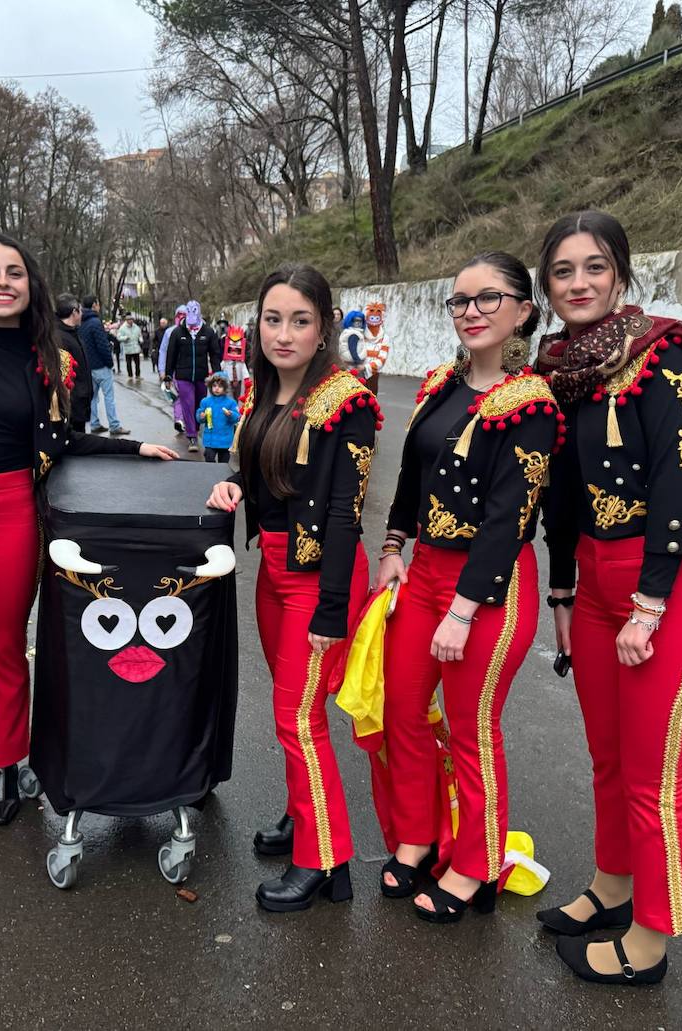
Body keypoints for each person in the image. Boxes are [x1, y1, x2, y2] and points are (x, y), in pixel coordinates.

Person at [0, 236, 177, 827]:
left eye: (15, 273)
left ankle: (6, 763)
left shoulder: (52, 356)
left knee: (5, 645)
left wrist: (131, 447)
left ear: (31, 285)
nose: (3, 283)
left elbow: (61, 442)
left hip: (12, 511)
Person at [534, 210, 682, 985]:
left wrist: (650, 603)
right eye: (563, 270)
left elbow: (677, 484)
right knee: (609, 759)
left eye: (594, 266)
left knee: (654, 777)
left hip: (672, 586)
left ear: (620, 272)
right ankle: (613, 888)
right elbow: (562, 493)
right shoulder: (563, 372)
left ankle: (651, 938)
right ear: (548, 284)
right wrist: (562, 586)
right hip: (594, 587)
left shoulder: (664, 357)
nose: (579, 282)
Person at [373, 251, 561, 923]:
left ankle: (477, 867)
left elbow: (509, 520)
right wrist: (394, 546)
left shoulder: (530, 404)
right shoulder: (439, 384)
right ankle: (420, 838)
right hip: (422, 574)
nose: (471, 312)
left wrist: (460, 610)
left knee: (473, 728)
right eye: (460, 301)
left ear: (523, 311)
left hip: (489, 588)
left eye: (488, 299)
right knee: (403, 712)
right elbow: (410, 480)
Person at [206, 264, 383, 912]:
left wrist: (333, 610)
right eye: (273, 318)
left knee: (297, 719)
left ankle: (323, 859)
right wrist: (235, 485)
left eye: (300, 320)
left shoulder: (348, 400)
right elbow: (269, 481)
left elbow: (343, 512)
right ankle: (302, 818)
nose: (284, 333)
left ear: (323, 328)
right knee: (294, 720)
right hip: (274, 573)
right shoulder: (265, 390)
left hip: (319, 579)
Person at [165, 300, 220, 453]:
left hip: (202, 376)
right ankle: (192, 436)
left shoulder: (208, 332)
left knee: (199, 405)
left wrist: (217, 372)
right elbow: (171, 355)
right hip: (183, 376)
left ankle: (195, 428)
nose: (191, 325)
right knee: (188, 405)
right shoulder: (178, 332)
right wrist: (168, 375)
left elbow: (215, 354)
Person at [78, 294, 126, 435]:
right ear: (94, 305)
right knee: (109, 397)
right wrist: (110, 363)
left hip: (88, 366)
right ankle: (114, 425)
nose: (99, 306)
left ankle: (94, 424)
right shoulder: (95, 322)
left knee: (93, 398)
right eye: (98, 303)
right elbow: (102, 346)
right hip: (101, 366)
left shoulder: (81, 322)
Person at [55, 294, 94, 432]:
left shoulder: (73, 333)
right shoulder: (60, 338)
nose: (82, 313)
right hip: (72, 406)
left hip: (79, 403)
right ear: (74, 312)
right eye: (80, 310)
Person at [195, 371, 239, 463]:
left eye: (220, 386)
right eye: (214, 386)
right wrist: (201, 416)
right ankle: (211, 474)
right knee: (209, 458)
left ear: (225, 388)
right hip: (210, 438)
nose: (217, 389)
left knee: (223, 463)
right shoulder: (206, 401)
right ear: (210, 387)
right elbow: (199, 417)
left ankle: (221, 476)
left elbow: (237, 418)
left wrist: (231, 414)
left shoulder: (231, 403)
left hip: (225, 439)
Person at [158, 304, 187, 434]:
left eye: (184, 315)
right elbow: (163, 351)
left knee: (188, 396)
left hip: (190, 370)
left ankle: (187, 419)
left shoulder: (196, 331)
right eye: (179, 315)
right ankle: (179, 419)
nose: (181, 317)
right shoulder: (170, 332)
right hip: (175, 370)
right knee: (178, 395)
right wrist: (162, 370)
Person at [220, 323, 248, 398]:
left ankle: (235, 406)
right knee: (228, 395)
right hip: (227, 380)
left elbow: (244, 371)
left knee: (237, 395)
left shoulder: (241, 362)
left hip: (238, 381)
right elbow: (220, 367)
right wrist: (214, 373)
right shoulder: (226, 361)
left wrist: (247, 379)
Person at [117, 312, 142, 379]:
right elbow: (119, 337)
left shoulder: (136, 327)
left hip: (136, 348)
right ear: (126, 320)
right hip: (128, 348)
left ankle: (137, 375)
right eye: (129, 320)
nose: (131, 321)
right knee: (128, 363)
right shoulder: (122, 328)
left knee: (137, 363)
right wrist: (125, 338)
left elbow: (139, 334)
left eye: (131, 320)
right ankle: (130, 375)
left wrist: (140, 339)